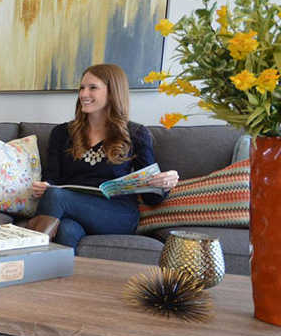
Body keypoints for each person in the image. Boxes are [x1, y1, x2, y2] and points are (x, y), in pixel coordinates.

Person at [27, 63, 179, 249]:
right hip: (72, 209)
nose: (83, 94)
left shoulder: (136, 134)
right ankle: (59, 278)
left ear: (112, 93)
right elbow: (52, 178)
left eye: (93, 88)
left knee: (56, 196)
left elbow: (151, 199)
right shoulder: (62, 133)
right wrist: (44, 185)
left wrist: (165, 184)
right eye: (82, 88)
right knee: (66, 230)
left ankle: (23, 260)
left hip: (117, 213)